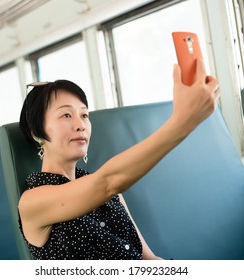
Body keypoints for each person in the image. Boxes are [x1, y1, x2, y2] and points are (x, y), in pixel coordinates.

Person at [18, 59, 220, 260]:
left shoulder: (112, 195)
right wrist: (183, 121)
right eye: (66, 115)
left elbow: (147, 259)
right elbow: (107, 182)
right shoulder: (32, 203)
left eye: (85, 115)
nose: (81, 124)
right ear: (36, 132)